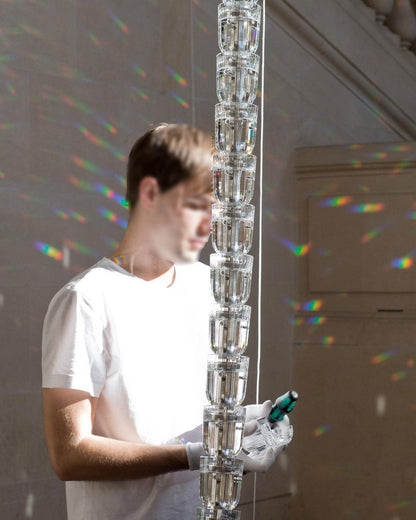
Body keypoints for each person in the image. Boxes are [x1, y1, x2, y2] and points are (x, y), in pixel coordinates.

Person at [42, 123, 291, 520]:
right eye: (198, 205)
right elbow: (69, 455)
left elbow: (181, 419)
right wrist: (195, 455)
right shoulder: (87, 300)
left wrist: (241, 428)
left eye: (217, 207)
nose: (212, 223)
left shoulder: (208, 284)